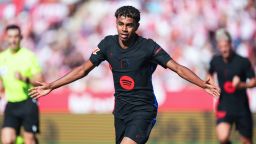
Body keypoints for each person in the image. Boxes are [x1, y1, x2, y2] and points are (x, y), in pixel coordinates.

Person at [29, 6, 220, 144]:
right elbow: (82, 69)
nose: (124, 29)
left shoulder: (148, 47)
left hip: (143, 110)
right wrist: (52, 85)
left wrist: (201, 84)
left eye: (129, 25)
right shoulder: (107, 44)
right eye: (120, 24)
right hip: (121, 110)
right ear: (116, 23)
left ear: (137, 25)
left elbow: (177, 67)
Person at [208, 29, 256, 144]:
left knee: (246, 141)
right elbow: (209, 73)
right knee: (223, 138)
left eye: (226, 46)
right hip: (224, 106)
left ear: (230, 44)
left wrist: (241, 85)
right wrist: (212, 84)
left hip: (241, 108)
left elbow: (254, 81)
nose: (224, 49)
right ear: (218, 47)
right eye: (221, 46)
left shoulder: (243, 61)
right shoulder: (215, 61)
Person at [0, 24, 43, 144]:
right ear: (6, 38)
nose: (13, 40)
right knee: (7, 140)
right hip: (11, 104)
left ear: (21, 38)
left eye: (16, 37)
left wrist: (25, 78)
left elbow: (40, 80)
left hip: (28, 103)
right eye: (10, 37)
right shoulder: (2, 57)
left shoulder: (29, 56)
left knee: (29, 140)